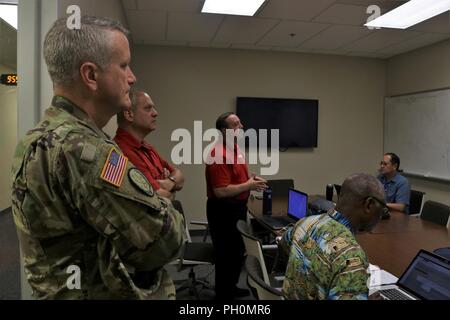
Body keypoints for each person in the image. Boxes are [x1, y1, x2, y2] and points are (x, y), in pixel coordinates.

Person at [10, 16, 185, 300]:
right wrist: (165, 200)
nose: (132, 77)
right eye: (124, 66)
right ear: (91, 75)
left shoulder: (37, 137)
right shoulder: (84, 150)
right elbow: (166, 242)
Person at [279, 173, 386, 300]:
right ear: (369, 204)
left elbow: (282, 243)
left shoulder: (305, 222)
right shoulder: (352, 257)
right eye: (383, 208)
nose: (382, 214)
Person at [205, 112, 268, 300]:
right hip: (223, 210)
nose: (241, 127)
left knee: (236, 252)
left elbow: (236, 180)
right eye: (235, 125)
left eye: (240, 123)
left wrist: (251, 181)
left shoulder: (235, 150)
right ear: (224, 131)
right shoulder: (218, 154)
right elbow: (221, 191)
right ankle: (223, 296)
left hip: (237, 207)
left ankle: (230, 288)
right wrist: (249, 185)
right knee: (226, 255)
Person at [115, 90, 184, 200]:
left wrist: (169, 182)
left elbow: (180, 176)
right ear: (129, 114)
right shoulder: (122, 151)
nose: (155, 113)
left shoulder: (147, 148)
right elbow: (159, 198)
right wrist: (172, 188)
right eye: (148, 108)